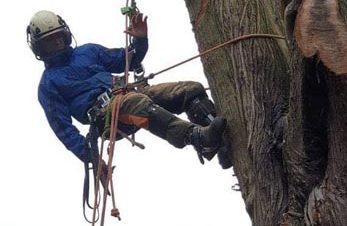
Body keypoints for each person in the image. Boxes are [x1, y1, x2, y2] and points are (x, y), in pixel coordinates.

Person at [27, 10, 231, 168]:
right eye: (49, 41)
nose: (57, 42)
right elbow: (64, 130)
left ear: (65, 34)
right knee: (136, 103)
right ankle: (197, 138)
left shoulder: (87, 51)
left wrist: (140, 40)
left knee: (190, 90)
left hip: (128, 94)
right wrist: (92, 157)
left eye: (58, 36)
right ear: (40, 48)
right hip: (108, 118)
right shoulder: (49, 84)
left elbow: (126, 60)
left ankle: (222, 144)